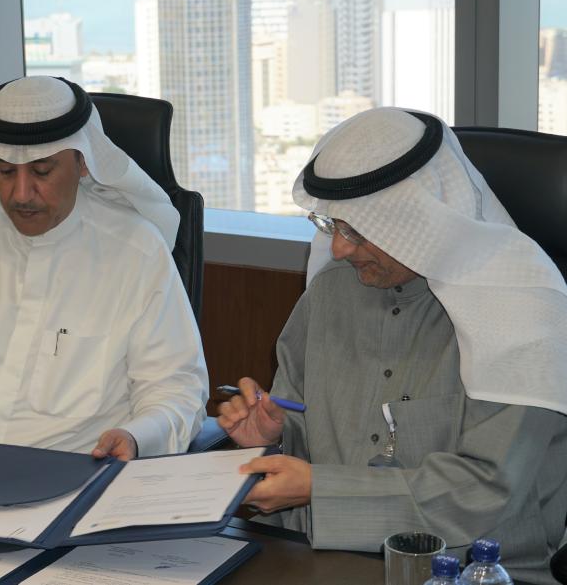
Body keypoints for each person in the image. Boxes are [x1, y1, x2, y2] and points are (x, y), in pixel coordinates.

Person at [219, 108, 567, 584]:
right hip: (318, 557)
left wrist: (321, 489)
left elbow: (484, 493)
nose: (339, 250)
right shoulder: (331, 292)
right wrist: (272, 438)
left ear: (420, 219)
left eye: (359, 231)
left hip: (477, 573)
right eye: (331, 225)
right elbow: (301, 422)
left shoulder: (521, 313)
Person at [0, 76, 208, 477]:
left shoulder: (136, 251)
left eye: (42, 172)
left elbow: (175, 387)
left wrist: (135, 437)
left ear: (83, 162)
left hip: (79, 480)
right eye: (5, 172)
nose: (21, 194)